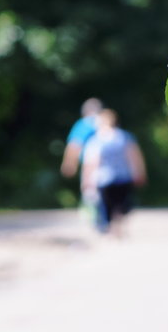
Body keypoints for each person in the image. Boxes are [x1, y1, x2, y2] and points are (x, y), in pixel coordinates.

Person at [81, 109, 147, 238]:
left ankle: (112, 227)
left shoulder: (95, 140)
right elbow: (134, 157)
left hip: (103, 178)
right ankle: (118, 227)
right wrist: (140, 172)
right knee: (121, 204)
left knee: (107, 205)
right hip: (123, 176)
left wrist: (86, 179)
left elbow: (91, 163)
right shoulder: (125, 137)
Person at [61, 98, 103, 225]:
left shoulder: (83, 124)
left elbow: (75, 144)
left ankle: (94, 218)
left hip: (90, 164)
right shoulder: (106, 121)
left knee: (90, 190)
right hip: (111, 165)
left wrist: (69, 163)